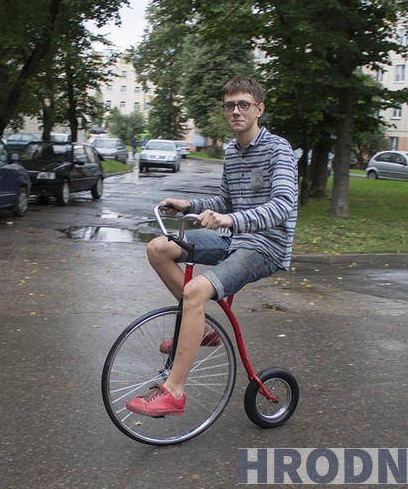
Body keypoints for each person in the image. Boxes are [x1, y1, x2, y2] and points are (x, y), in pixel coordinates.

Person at [125, 75, 298, 417]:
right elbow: (225, 199)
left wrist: (232, 220)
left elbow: (283, 205)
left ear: (258, 109)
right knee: (159, 248)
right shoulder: (232, 151)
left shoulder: (279, 149)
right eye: (230, 106)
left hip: (265, 246)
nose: (236, 111)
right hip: (233, 236)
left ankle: (173, 392)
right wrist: (188, 204)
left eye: (243, 104)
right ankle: (201, 330)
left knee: (196, 291)